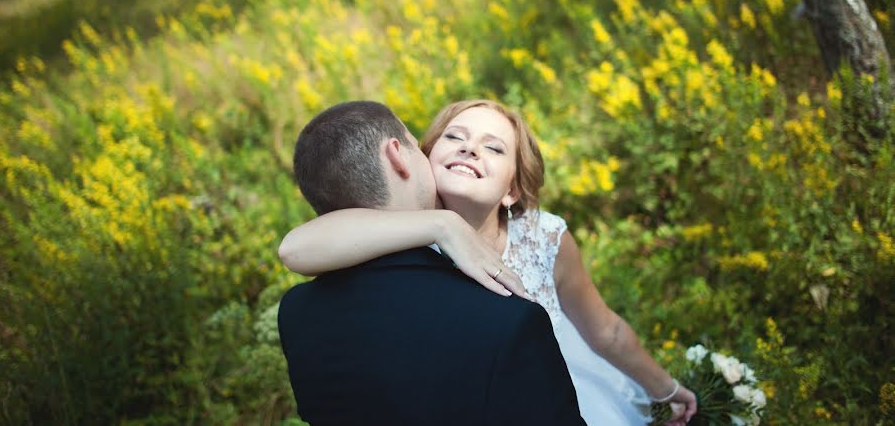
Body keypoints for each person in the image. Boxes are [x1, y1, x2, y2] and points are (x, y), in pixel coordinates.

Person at [279, 100, 698, 426]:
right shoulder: (401, 231)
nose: (470, 148)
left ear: (512, 189)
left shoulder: (542, 236)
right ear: (421, 159)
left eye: (493, 147)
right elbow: (297, 247)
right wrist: (440, 225)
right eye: (454, 136)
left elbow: (605, 330)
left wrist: (667, 388)